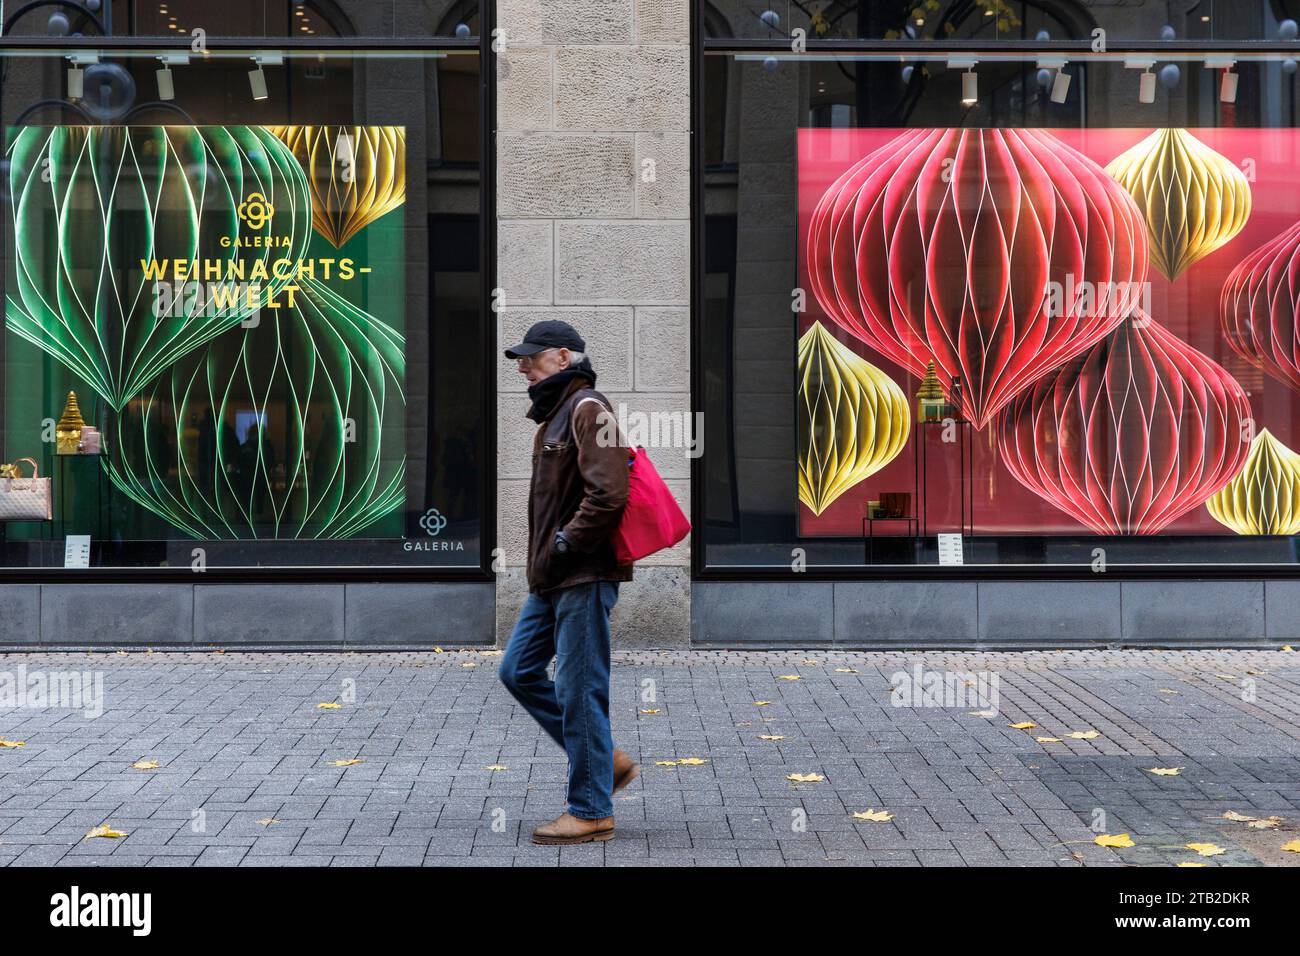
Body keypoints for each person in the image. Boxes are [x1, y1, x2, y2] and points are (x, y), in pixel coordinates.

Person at [498, 319, 638, 845]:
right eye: (520, 359)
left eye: (531, 358)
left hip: (582, 573)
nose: (522, 367)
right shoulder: (556, 416)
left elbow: (610, 493)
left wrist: (564, 544)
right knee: (518, 670)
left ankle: (590, 809)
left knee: (580, 691)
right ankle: (606, 764)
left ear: (563, 357)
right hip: (553, 579)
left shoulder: (587, 409)